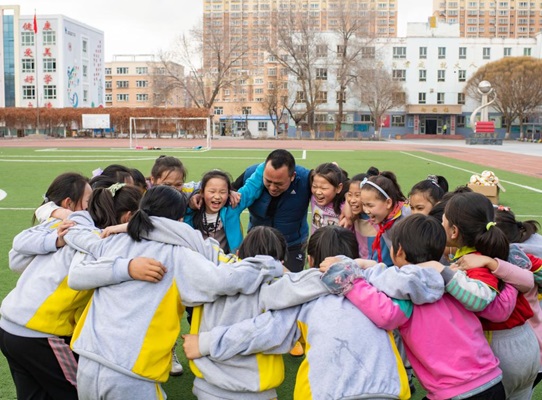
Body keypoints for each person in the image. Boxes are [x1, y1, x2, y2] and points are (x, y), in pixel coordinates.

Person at [62, 185, 284, 400]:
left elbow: (78, 266)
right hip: (132, 368)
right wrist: (269, 265)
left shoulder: (113, 240)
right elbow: (225, 280)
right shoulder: (180, 255)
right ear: (179, 220)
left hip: (88, 359)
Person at [184, 226, 423, 400]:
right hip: (387, 387)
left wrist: (205, 343)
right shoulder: (380, 289)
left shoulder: (303, 298)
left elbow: (263, 332)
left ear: (310, 260)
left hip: (327, 393)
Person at [319, 214, 507, 400]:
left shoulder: (406, 292)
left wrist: (353, 282)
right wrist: (366, 266)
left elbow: (386, 314)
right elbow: (397, 276)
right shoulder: (452, 280)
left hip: (456, 390)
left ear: (398, 250)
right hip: (492, 379)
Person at [0, 178, 140, 400]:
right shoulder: (100, 244)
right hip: (40, 333)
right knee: (84, 394)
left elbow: (16, 259)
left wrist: (54, 228)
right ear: (127, 217)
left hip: (9, 326)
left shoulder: (66, 227)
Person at [443, 192, 539, 399]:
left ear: (454, 231)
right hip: (528, 344)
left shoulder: (472, 263)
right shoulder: (501, 251)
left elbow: (494, 310)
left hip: (499, 347)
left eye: (443, 219)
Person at [232, 149, 312, 273]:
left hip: (292, 245)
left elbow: (337, 185)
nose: (273, 188)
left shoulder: (305, 179)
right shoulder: (250, 174)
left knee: (290, 285)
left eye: (279, 183)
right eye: (268, 181)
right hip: (257, 243)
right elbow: (223, 190)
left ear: (292, 177)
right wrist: (229, 192)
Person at [184, 166, 264, 254]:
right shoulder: (192, 211)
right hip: (200, 264)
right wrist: (190, 209)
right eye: (212, 191)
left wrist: (268, 163)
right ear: (202, 192)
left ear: (229, 193)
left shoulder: (232, 206)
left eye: (223, 192)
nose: (217, 196)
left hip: (228, 263)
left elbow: (252, 187)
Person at [356, 171, 411, 266]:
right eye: (363, 204)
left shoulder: (407, 218)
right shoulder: (384, 217)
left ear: (388, 203)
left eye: (370, 205)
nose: (366, 210)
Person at [309, 163, 348, 233]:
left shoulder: (345, 207)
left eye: (323, 188)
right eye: (314, 186)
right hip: (315, 242)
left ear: (338, 188)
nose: (318, 192)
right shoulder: (313, 197)